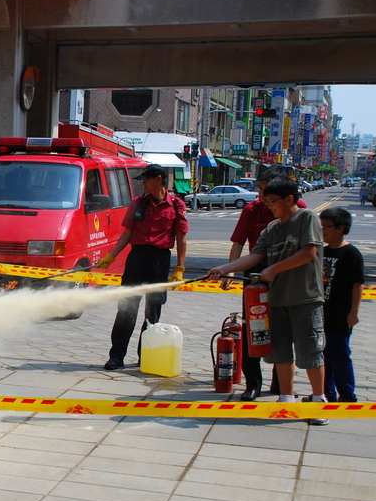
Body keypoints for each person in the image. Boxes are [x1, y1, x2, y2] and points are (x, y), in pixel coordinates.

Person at [206, 177, 328, 426]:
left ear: (290, 199)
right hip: (276, 300)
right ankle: (287, 398)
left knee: (310, 352)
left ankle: (319, 401)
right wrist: (224, 268)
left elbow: (309, 252)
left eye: (272, 201)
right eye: (266, 201)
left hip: (305, 298)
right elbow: (255, 256)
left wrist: (275, 269)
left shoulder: (307, 218)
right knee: (281, 351)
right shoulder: (272, 228)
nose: (269, 206)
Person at [222, 166, 307, 400]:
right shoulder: (252, 210)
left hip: (287, 275)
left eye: (265, 191)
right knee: (253, 329)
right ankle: (253, 384)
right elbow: (239, 243)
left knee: (282, 331)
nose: (261, 196)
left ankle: (280, 385)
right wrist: (229, 272)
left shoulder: (300, 212)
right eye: (260, 190)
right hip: (256, 275)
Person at [96, 164, 188, 370]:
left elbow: (181, 237)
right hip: (136, 258)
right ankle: (116, 357)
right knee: (126, 308)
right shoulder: (137, 203)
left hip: (160, 259)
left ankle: (146, 356)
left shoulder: (176, 205)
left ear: (158, 179)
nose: (142, 183)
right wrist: (111, 257)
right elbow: (127, 233)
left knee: (152, 313)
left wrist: (180, 267)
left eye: (146, 179)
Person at [319, 207, 364, 403]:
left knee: (340, 356)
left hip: (340, 315)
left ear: (340, 228)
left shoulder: (351, 253)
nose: (322, 231)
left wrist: (353, 313)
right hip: (321, 314)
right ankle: (326, 395)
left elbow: (357, 285)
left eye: (326, 226)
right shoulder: (321, 251)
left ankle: (347, 396)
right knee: (323, 357)